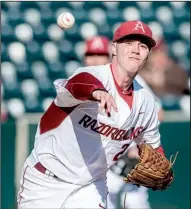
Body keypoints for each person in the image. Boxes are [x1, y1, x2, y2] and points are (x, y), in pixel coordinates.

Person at [17, 20, 167, 209]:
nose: (136, 49)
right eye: (128, 43)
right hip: (45, 181)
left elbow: (152, 147)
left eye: (143, 46)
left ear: (147, 55)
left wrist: (159, 165)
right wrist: (96, 91)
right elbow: (79, 83)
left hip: (90, 188)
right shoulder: (93, 75)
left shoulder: (146, 101)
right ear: (114, 48)